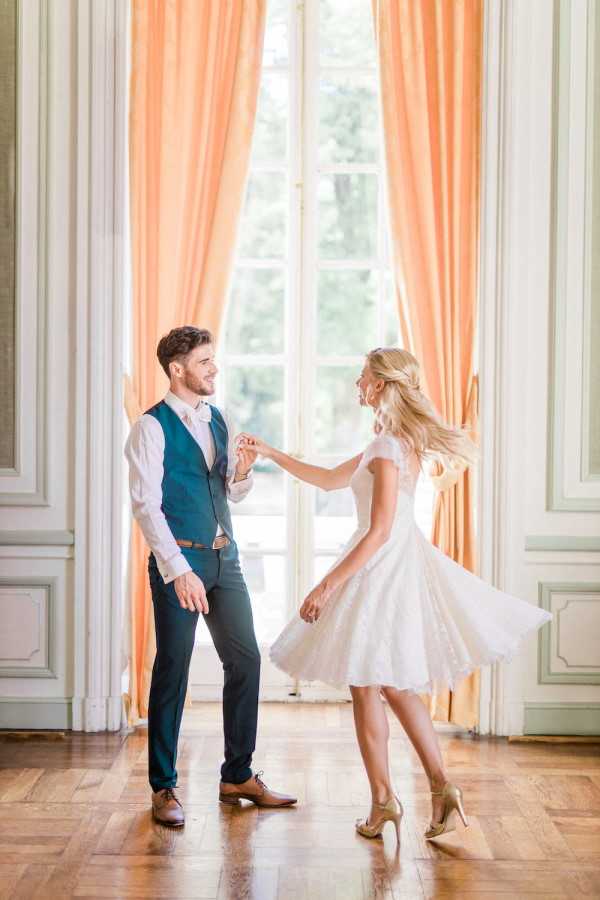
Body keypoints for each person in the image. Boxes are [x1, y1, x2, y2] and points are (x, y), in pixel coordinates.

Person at [237, 347, 551, 841]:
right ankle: (439, 790)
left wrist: (327, 583)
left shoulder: (386, 446)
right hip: (392, 565)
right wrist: (272, 453)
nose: (356, 385)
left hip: (379, 569)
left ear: (381, 385)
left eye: (362, 377)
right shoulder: (394, 442)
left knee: (369, 686)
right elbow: (328, 480)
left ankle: (386, 800)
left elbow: (379, 530)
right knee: (396, 686)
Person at [125, 326, 296, 827]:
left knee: (245, 660)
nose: (213, 369)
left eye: (213, 360)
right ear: (177, 370)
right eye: (204, 362)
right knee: (173, 670)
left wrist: (241, 472)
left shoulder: (217, 418)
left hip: (227, 559)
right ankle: (164, 787)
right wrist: (177, 570)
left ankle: (237, 774)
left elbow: (229, 494)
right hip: (180, 563)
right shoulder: (150, 428)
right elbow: (146, 507)